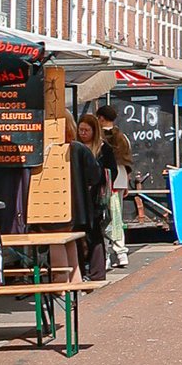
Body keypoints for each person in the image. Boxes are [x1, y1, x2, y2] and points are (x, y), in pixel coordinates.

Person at [72, 115, 111, 278]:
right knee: (77, 236)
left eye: (86, 130)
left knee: (94, 234)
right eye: (80, 130)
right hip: (79, 198)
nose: (83, 133)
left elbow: (110, 171)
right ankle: (79, 272)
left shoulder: (103, 148)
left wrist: (95, 181)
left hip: (94, 199)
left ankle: (97, 272)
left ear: (94, 131)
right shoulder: (75, 148)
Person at [95, 105, 132, 269]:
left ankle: (107, 254)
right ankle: (121, 253)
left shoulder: (99, 137)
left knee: (105, 217)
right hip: (121, 179)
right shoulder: (123, 137)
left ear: (101, 118)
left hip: (106, 180)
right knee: (117, 216)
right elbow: (128, 161)